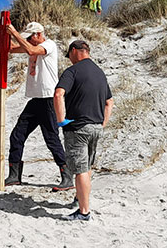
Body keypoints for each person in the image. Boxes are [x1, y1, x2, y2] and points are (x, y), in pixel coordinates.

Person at [0, 22, 74, 191]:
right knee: (17, 135)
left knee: (51, 139)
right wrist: (3, 33)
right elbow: (11, 48)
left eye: (30, 37)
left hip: (48, 99)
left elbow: (32, 50)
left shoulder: (49, 45)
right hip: (36, 100)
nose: (28, 40)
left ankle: (67, 175)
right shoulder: (30, 45)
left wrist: (13, 31)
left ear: (38, 35)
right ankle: (14, 175)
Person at [54, 40, 113, 221]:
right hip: (96, 127)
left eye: (69, 56)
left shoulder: (73, 71)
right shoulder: (100, 73)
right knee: (86, 167)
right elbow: (109, 102)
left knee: (80, 169)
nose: (69, 60)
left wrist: (61, 120)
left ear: (74, 51)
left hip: (78, 128)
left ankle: (84, 211)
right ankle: (80, 198)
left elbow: (58, 93)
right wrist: (102, 124)